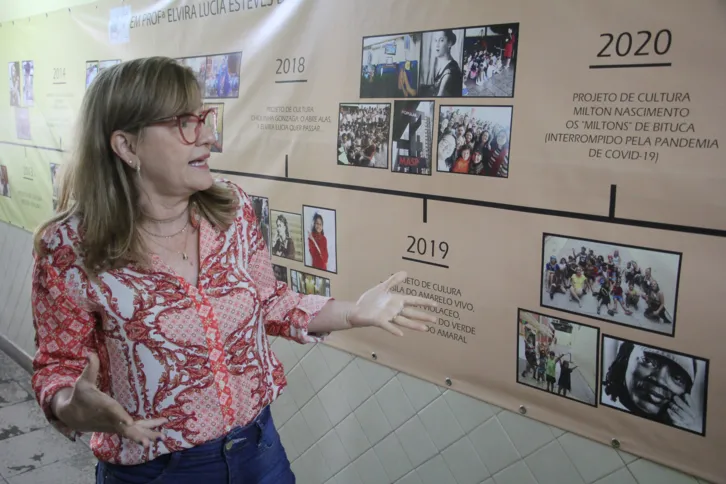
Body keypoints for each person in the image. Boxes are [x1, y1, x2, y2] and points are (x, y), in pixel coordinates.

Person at [29, 57, 438, 484]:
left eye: (204, 118)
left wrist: (354, 312)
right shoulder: (69, 248)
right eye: (184, 123)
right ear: (127, 146)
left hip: (258, 451)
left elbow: (271, 301)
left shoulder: (233, 212)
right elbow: (57, 366)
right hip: (157, 469)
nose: (207, 135)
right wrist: (70, 406)